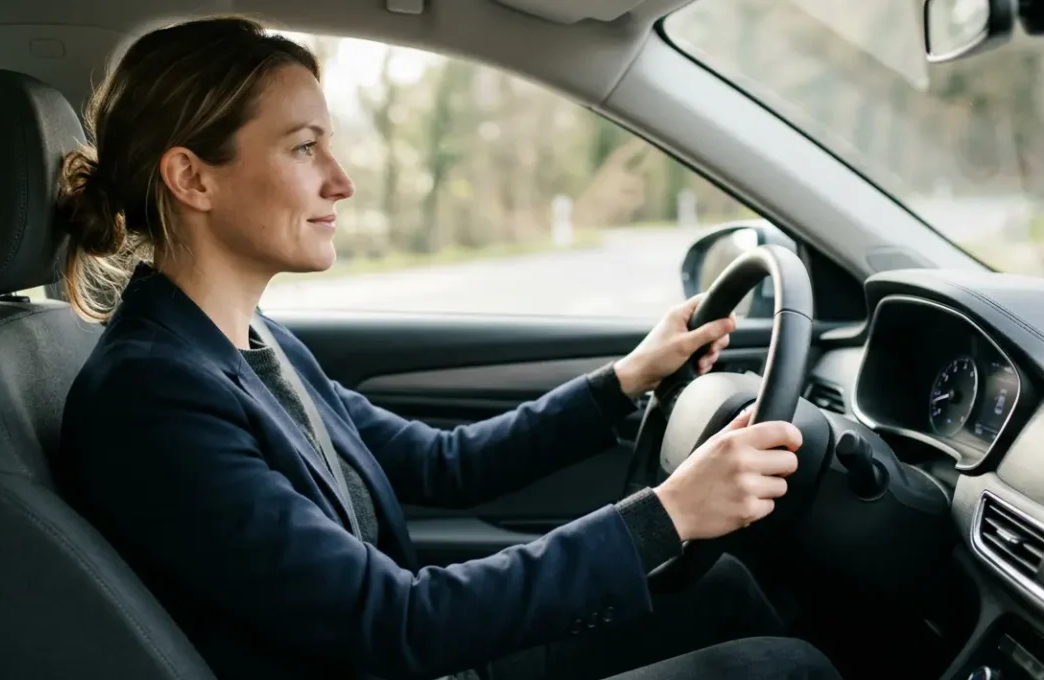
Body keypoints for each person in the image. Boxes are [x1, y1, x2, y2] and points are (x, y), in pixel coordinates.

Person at [54, 15, 841, 680]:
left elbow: (445, 463)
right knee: (782, 668)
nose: (341, 181)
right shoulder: (153, 397)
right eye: (303, 148)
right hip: (398, 654)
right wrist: (666, 515)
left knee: (727, 591)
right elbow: (391, 620)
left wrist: (627, 379)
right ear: (193, 178)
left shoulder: (250, 343)